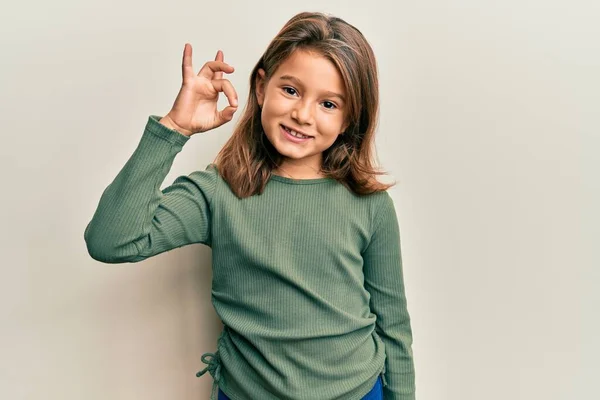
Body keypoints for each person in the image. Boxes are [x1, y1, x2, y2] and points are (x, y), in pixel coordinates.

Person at [84, 11, 416, 400]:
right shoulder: (217, 192)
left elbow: (393, 326)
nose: (303, 114)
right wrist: (174, 128)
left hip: (357, 392)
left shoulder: (370, 204)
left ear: (349, 118)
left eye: (328, 104)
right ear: (262, 86)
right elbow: (111, 241)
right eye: (291, 90)